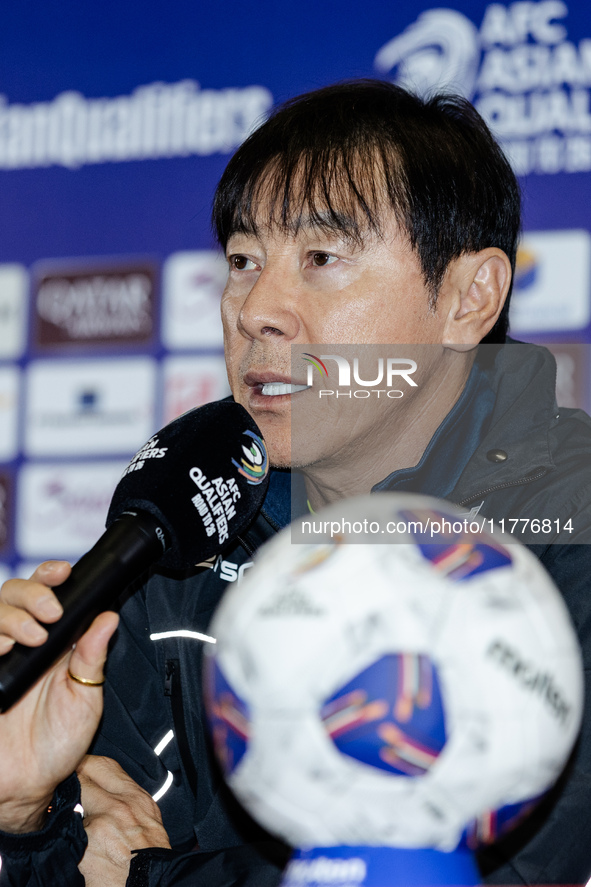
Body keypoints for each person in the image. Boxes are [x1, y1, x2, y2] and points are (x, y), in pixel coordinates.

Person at [0, 80, 590, 887]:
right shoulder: (183, 539)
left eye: (321, 258)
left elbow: (493, 871)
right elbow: (87, 849)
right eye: (242, 261)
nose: (257, 310)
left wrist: (142, 876)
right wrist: (23, 825)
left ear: (466, 298)